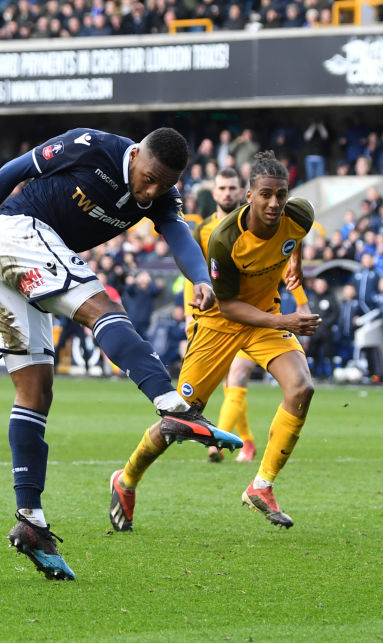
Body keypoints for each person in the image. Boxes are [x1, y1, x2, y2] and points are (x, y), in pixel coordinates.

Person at [0, 127, 242, 581]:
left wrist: (202, 278)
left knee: (35, 391)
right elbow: (13, 171)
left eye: (163, 185)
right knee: (103, 310)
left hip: (9, 260)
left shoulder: (162, 196)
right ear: (136, 155)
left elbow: (178, 234)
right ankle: (173, 406)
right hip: (19, 233)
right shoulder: (92, 146)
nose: (151, 191)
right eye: (149, 178)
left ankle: (30, 521)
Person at [109, 151, 321, 533]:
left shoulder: (300, 215)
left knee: (301, 387)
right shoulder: (225, 237)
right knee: (178, 420)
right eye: (266, 195)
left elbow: (295, 237)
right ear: (249, 196)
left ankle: (261, 486)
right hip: (221, 323)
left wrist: (296, 265)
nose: (274, 203)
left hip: (264, 320)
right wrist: (286, 320)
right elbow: (229, 306)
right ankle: (126, 480)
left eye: (281, 195)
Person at [183, 167, 261, 464]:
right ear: (214, 192)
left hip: (251, 318)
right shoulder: (202, 230)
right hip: (215, 321)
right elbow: (192, 274)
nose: (227, 193)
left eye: (232, 188)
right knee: (230, 384)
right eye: (222, 188)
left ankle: (215, 445)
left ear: (242, 191)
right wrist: (189, 314)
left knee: (237, 374)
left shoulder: (255, 226)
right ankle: (248, 442)